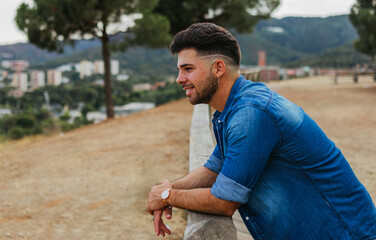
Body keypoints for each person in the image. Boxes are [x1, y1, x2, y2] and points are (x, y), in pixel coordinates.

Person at [147, 22, 376, 239]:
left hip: (346, 234)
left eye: (188, 69)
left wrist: (169, 196)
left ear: (218, 68)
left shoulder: (251, 113)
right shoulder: (236, 108)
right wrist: (164, 191)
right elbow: (213, 170)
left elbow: (225, 201)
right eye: (179, 70)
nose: (179, 79)